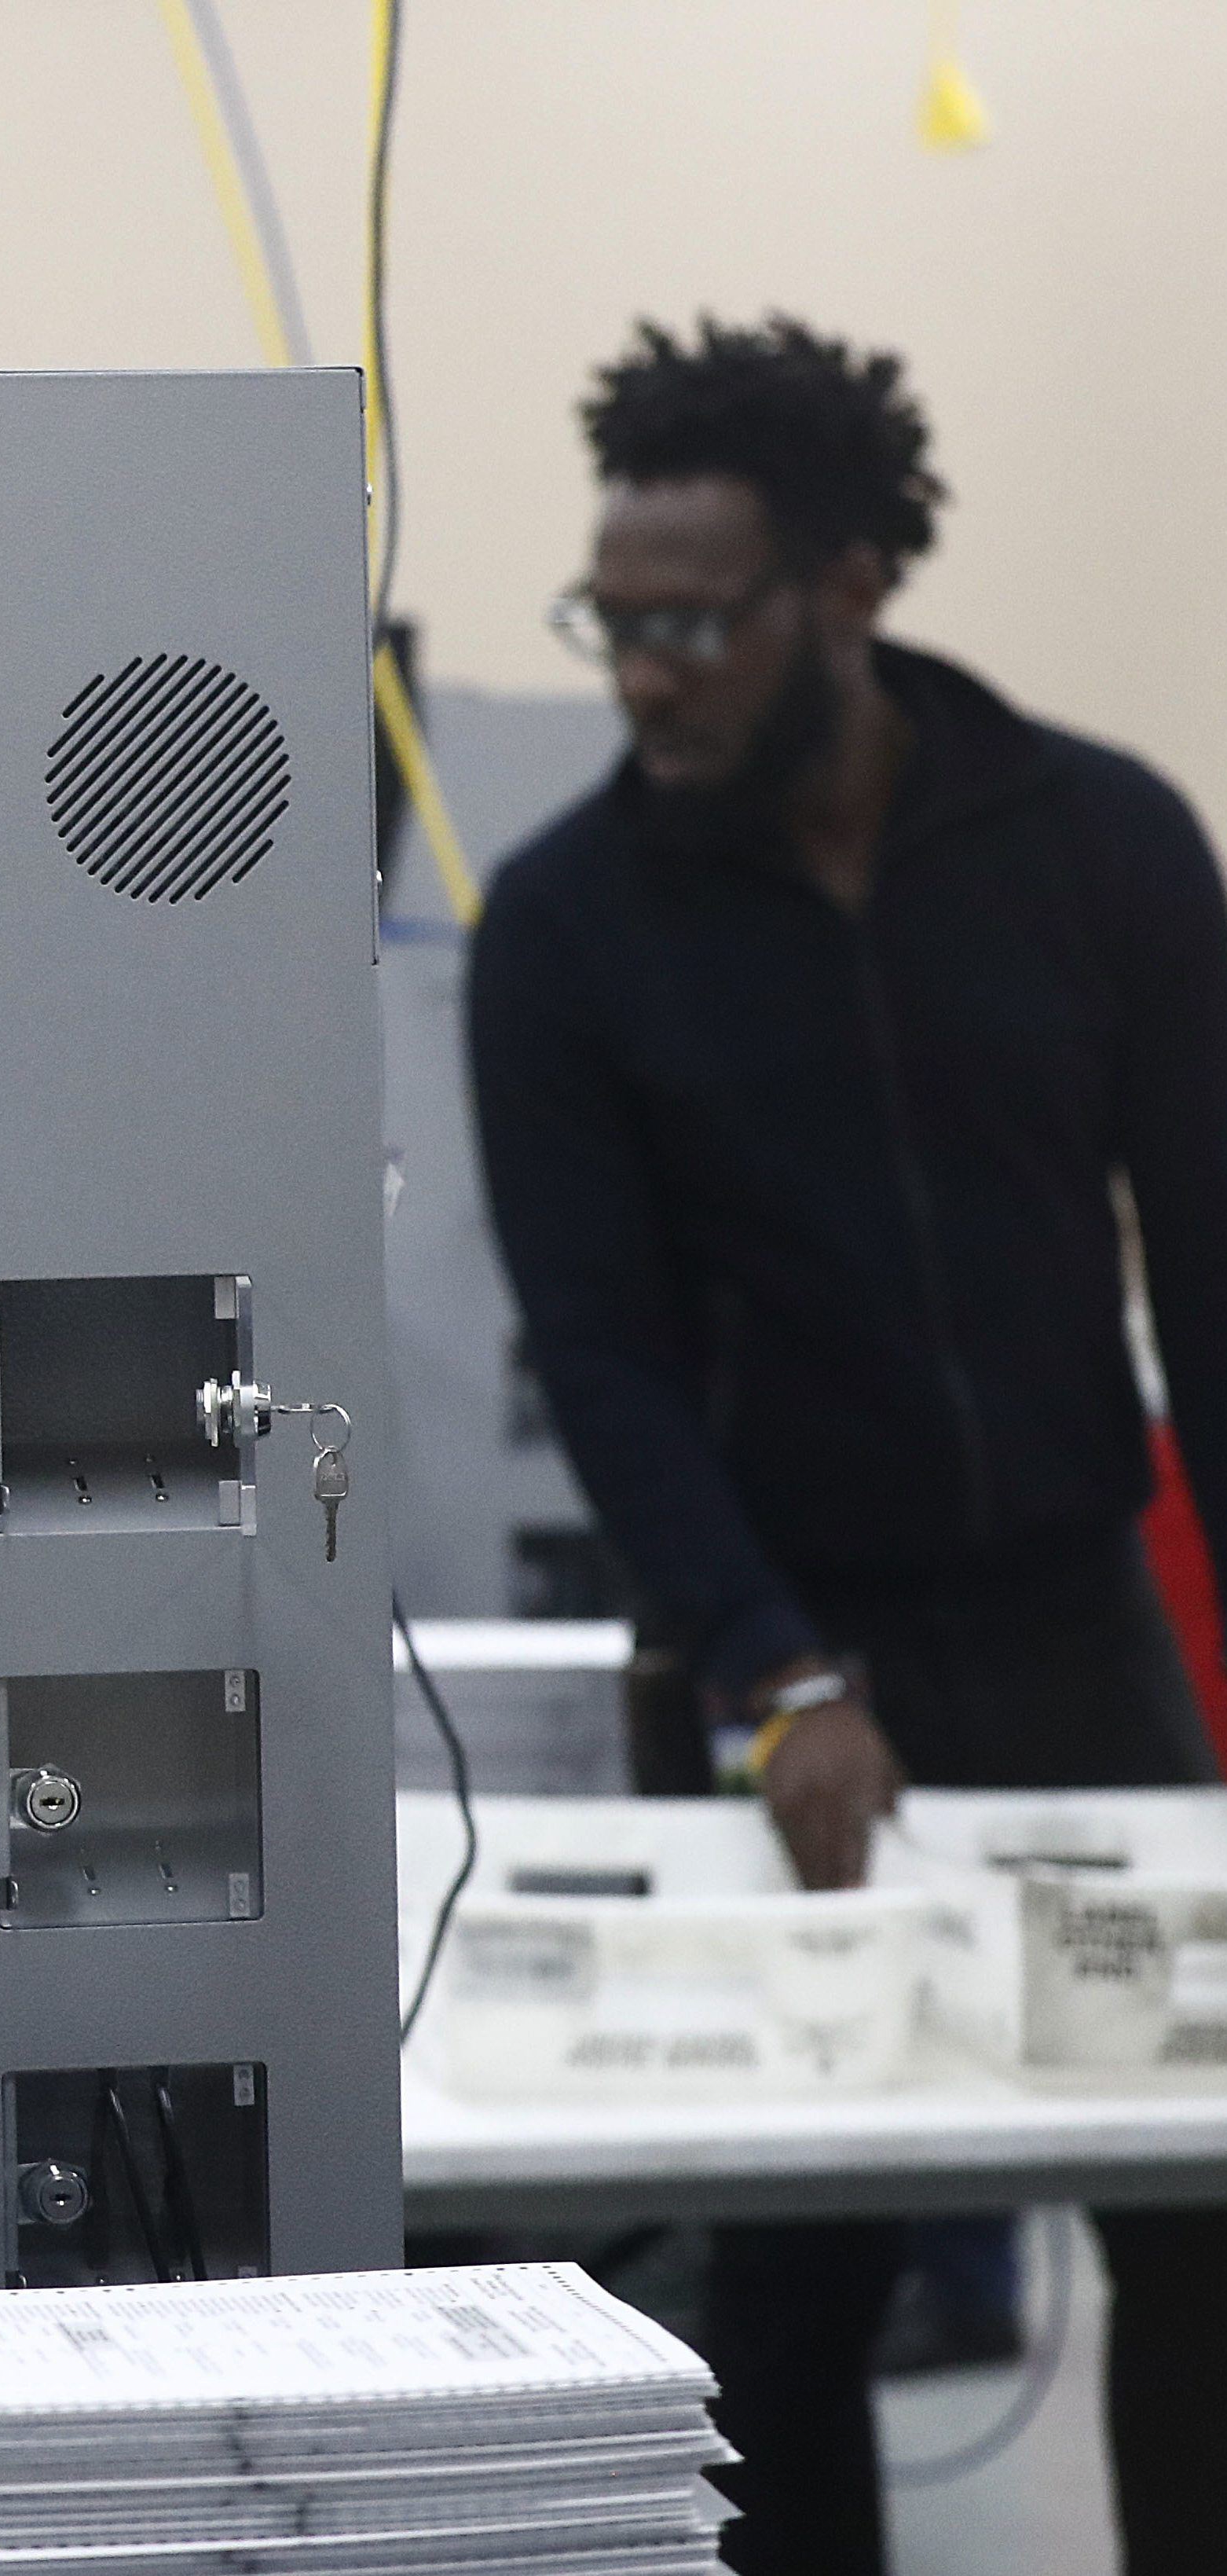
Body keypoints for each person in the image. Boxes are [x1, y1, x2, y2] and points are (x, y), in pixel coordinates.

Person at [468, 313, 1227, 2576]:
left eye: (691, 624)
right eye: (611, 625)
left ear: (851, 585)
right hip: (777, 1668)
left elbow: (1205, 1270)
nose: (644, 676)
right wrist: (764, 1666)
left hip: (1071, 1646)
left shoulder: (1098, 845)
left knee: (1195, 2214)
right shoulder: (569, 937)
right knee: (785, 2282)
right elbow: (592, 1357)